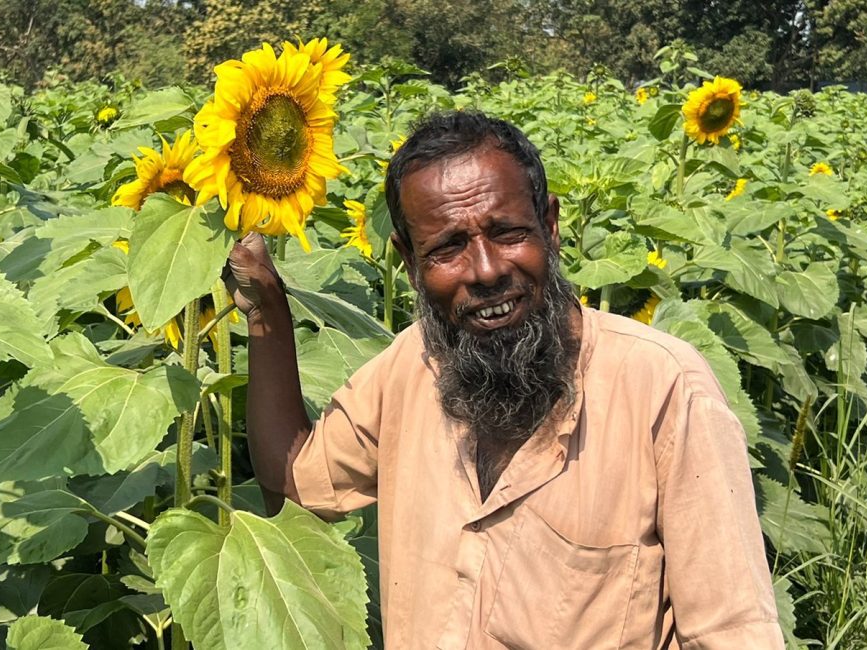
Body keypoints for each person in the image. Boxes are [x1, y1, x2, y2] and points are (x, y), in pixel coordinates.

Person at [224, 110, 782, 649]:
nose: (486, 270)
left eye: (508, 232)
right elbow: (296, 482)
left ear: (552, 227)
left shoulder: (662, 387)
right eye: (447, 248)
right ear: (408, 264)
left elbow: (730, 631)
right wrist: (266, 310)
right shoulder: (409, 369)